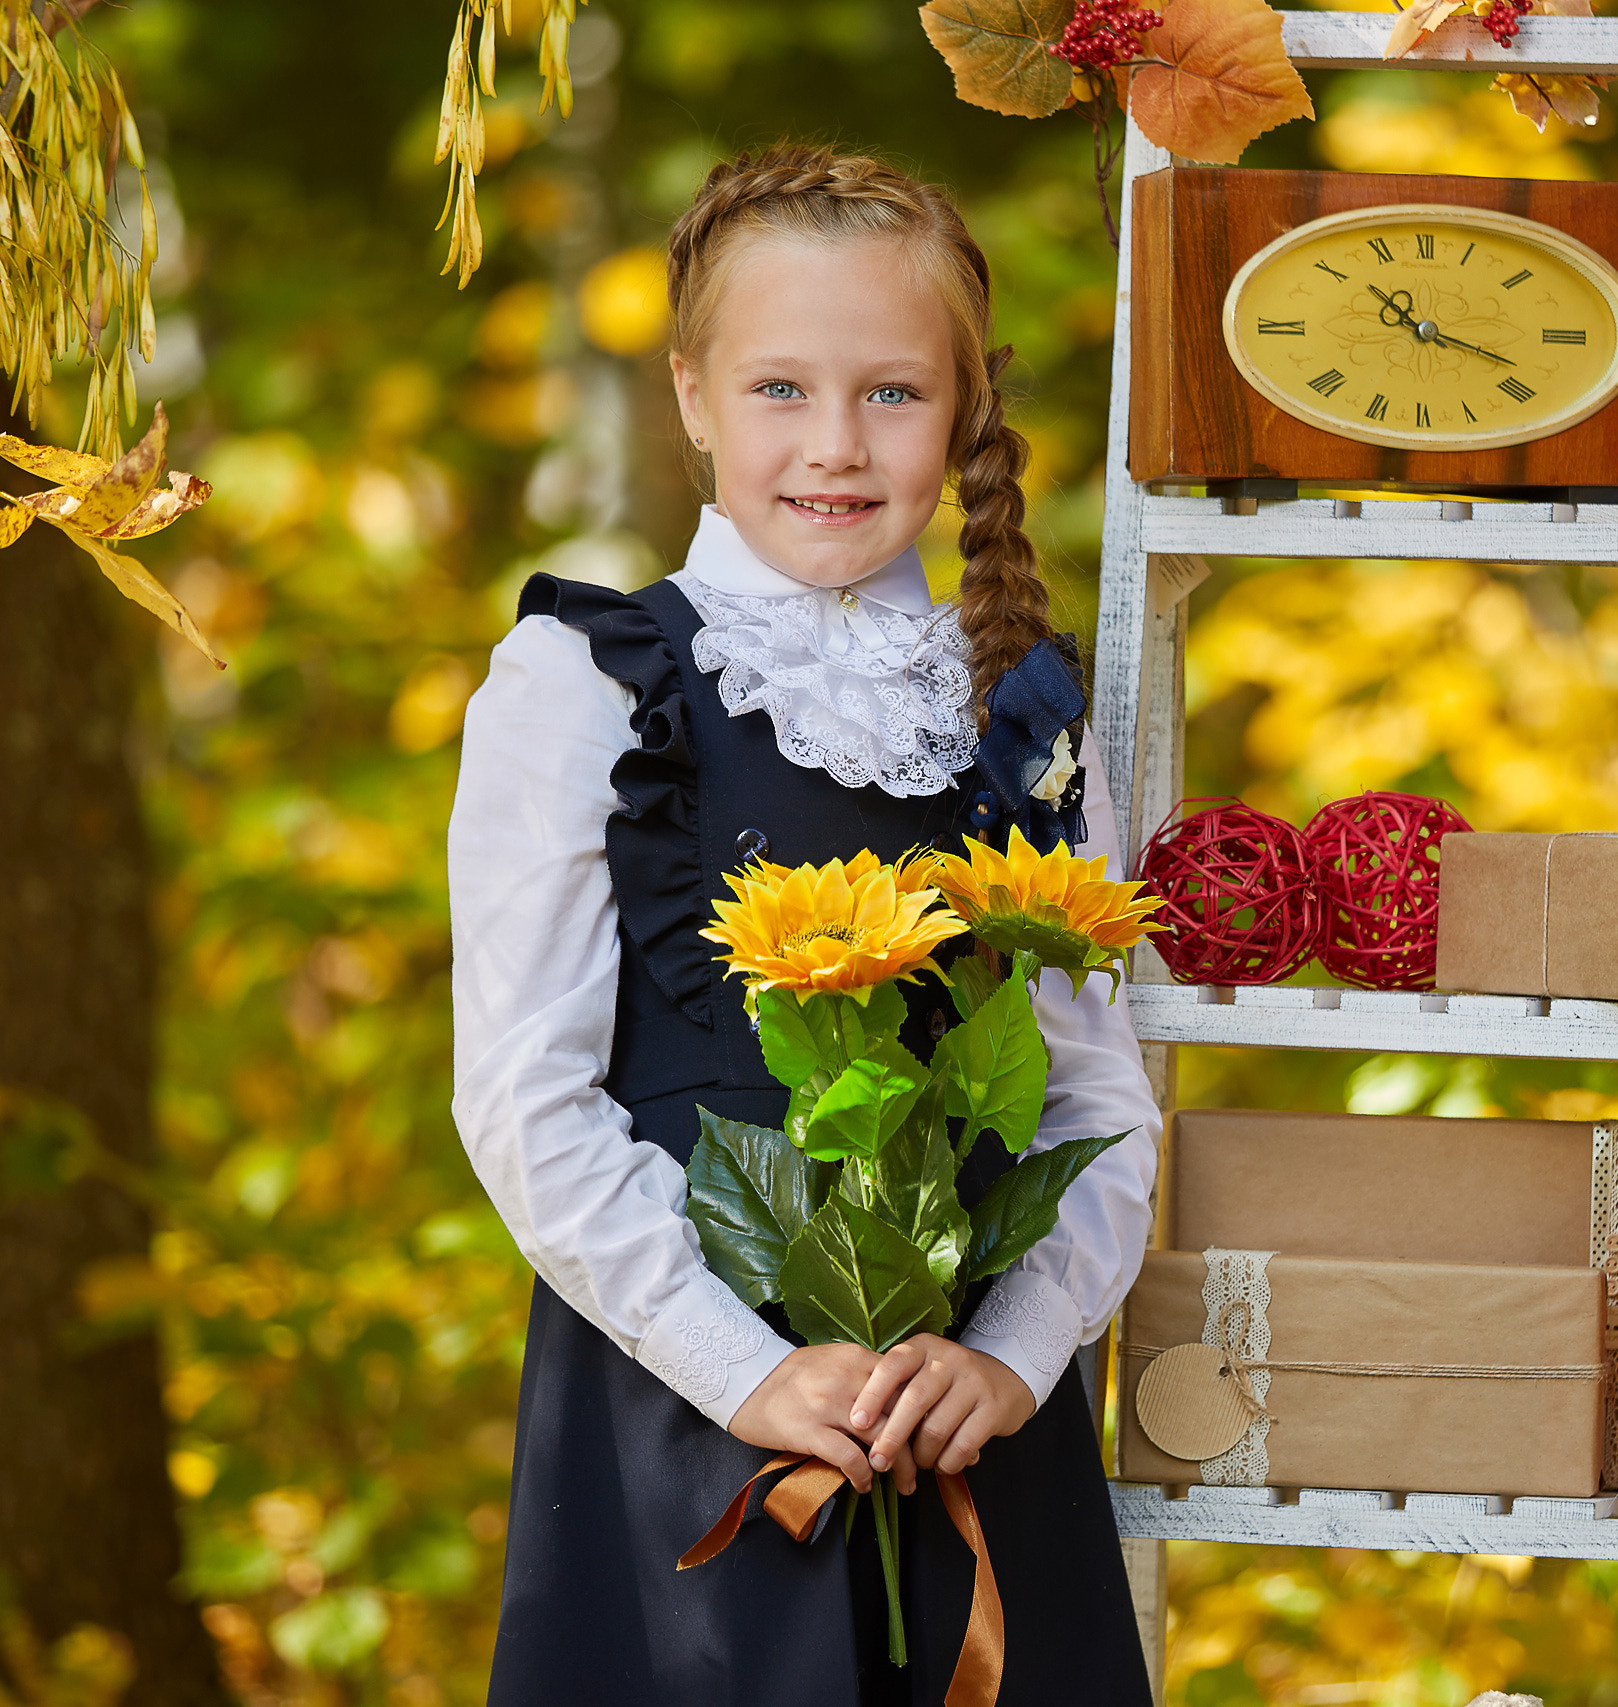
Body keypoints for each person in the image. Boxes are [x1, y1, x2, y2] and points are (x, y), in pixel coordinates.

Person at [447, 143, 1162, 1706]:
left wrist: (1011, 1358)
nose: (836, 445)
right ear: (693, 396)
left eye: (893, 393)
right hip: (688, 1430)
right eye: (781, 389)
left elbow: (1097, 1101)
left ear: (963, 410)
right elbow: (521, 1096)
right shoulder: (587, 685)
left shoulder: (1024, 715)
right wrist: (751, 1373)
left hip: (967, 1426)